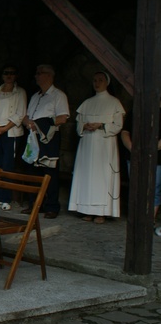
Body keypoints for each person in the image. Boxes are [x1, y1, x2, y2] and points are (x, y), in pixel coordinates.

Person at [68, 71, 125, 223]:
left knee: (102, 176)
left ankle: (101, 212)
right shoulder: (87, 103)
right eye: (94, 80)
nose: (97, 83)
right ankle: (86, 209)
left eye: (100, 80)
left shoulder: (114, 102)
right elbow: (79, 122)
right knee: (87, 175)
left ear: (106, 83)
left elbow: (118, 125)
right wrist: (85, 125)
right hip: (87, 143)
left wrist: (102, 125)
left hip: (104, 145)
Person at [22, 64, 70, 219]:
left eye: (39, 73)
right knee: (33, 171)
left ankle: (52, 207)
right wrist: (28, 123)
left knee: (49, 172)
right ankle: (35, 204)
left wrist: (41, 124)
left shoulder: (58, 95)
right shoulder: (35, 96)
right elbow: (26, 116)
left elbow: (62, 118)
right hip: (33, 138)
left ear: (49, 76)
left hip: (49, 138)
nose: (36, 76)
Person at [0, 65, 26, 210]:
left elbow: (20, 113)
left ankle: (6, 198)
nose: (9, 76)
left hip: (10, 132)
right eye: (6, 73)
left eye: (12, 73)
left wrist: (5, 128)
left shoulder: (19, 92)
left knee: (7, 165)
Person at [121, 103, 161, 236]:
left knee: (154, 188)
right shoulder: (135, 110)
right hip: (135, 155)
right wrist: (133, 149)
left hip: (157, 158)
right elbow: (125, 131)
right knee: (136, 187)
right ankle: (136, 219)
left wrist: (151, 150)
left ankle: (149, 220)